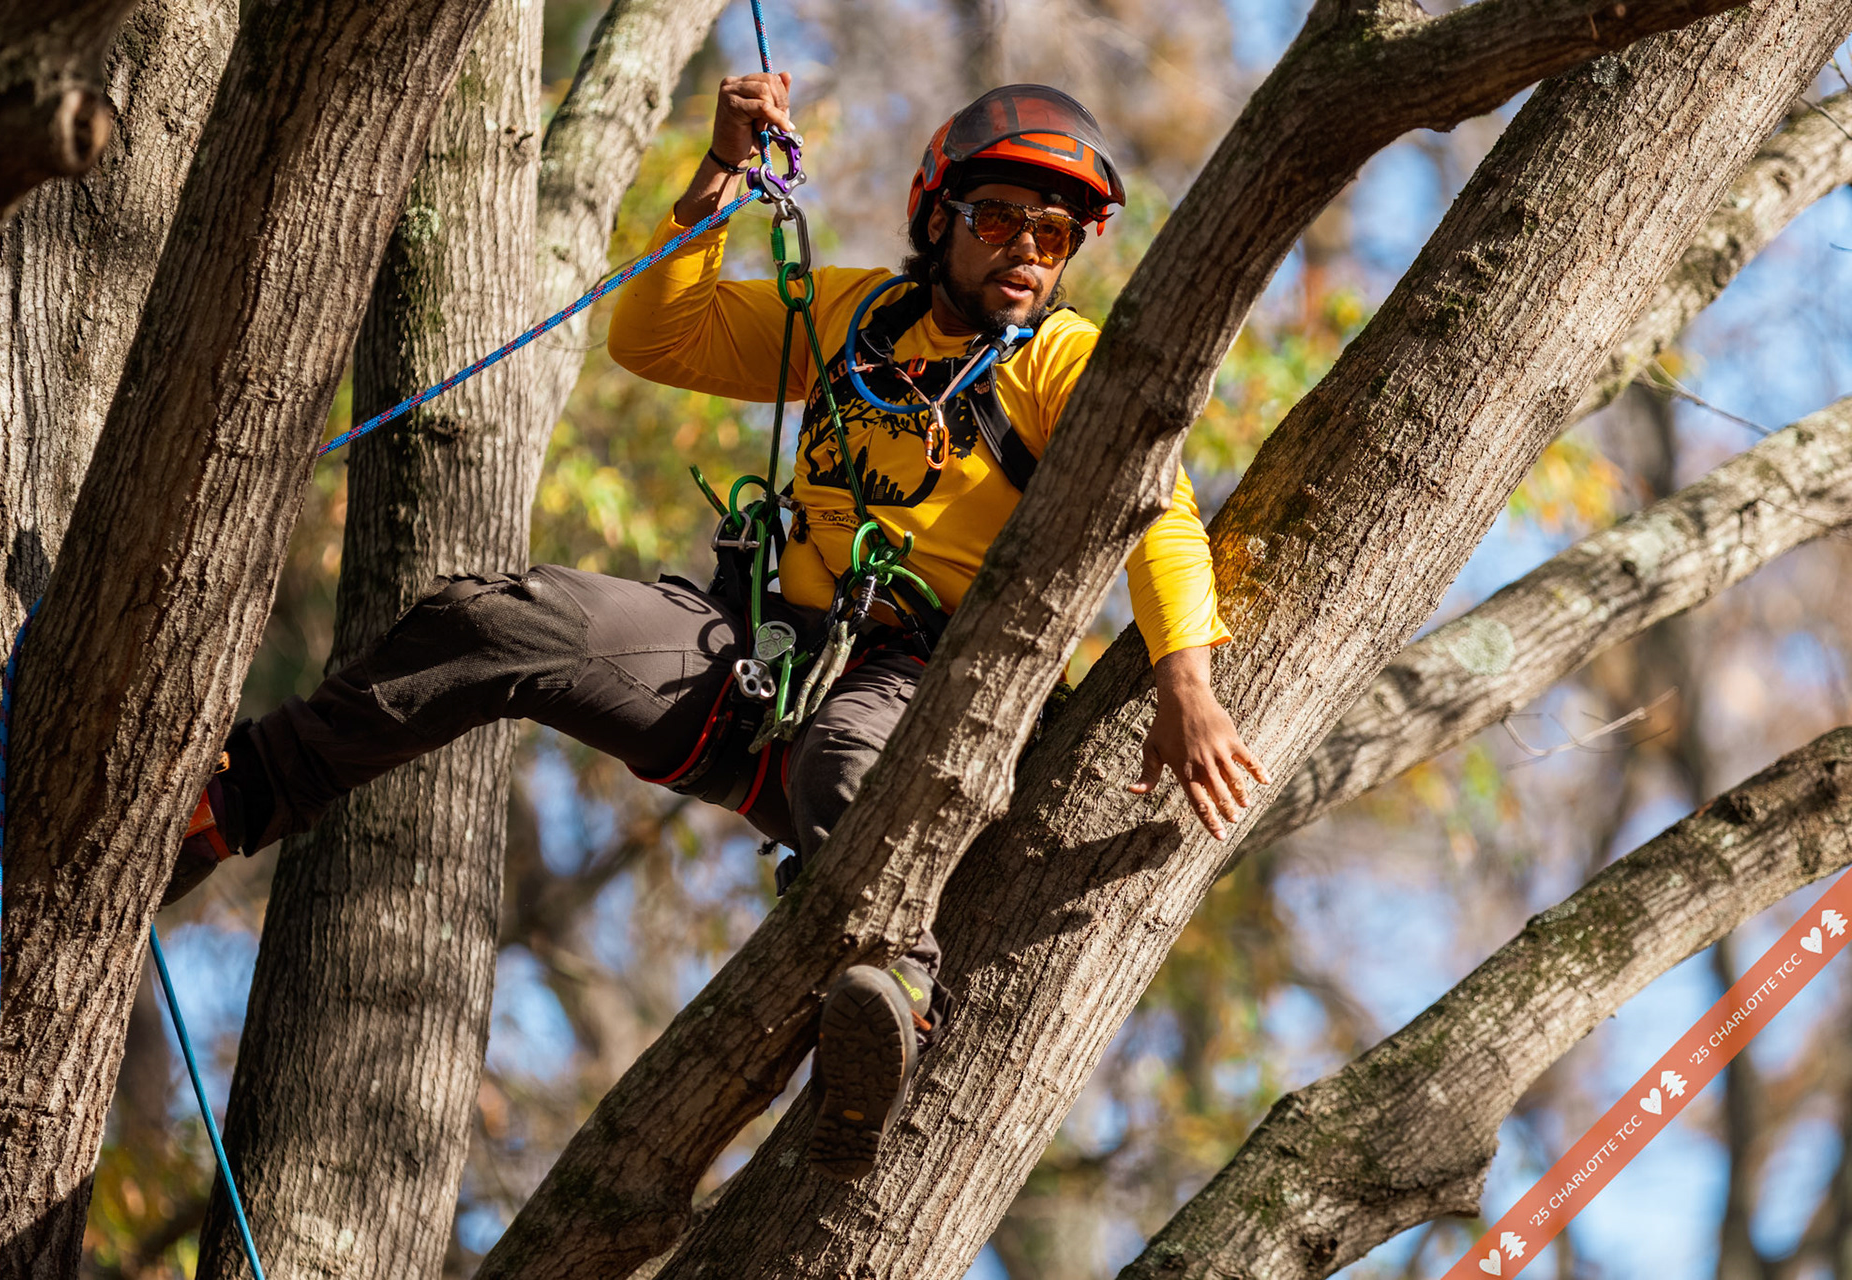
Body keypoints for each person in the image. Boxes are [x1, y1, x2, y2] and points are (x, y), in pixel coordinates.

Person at [175, 73, 1268, 1181]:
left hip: (910, 681)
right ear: (935, 218)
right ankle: (232, 803)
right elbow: (661, 339)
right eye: (998, 219)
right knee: (503, 620)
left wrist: (1188, 676)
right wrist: (718, 176)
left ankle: (888, 996)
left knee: (853, 769)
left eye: (1056, 231)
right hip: (756, 656)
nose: (1028, 249)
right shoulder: (857, 318)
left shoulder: (1059, 362)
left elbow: (1160, 507)